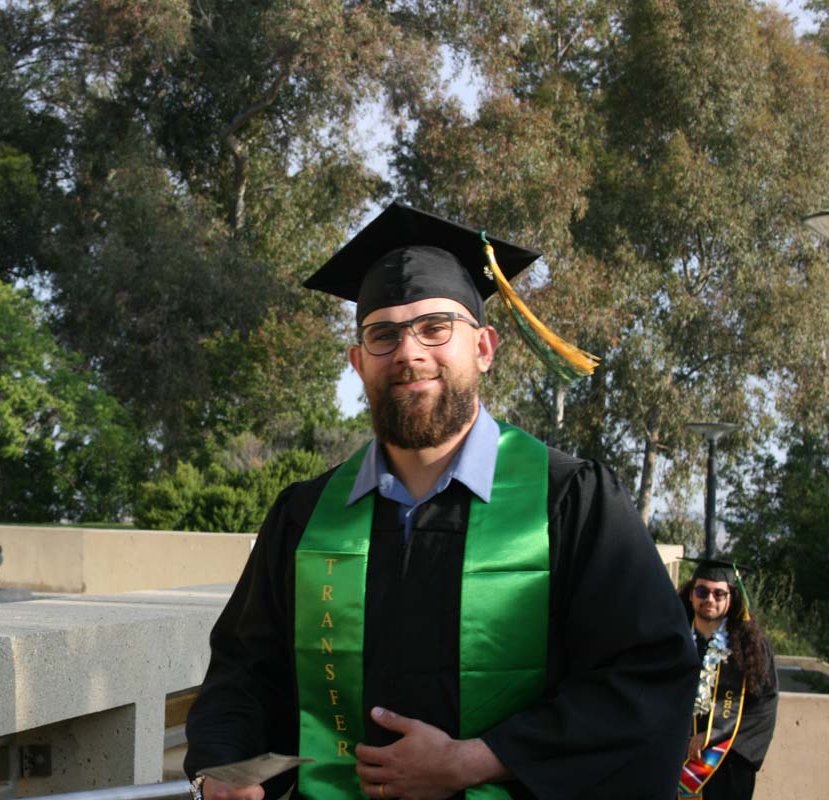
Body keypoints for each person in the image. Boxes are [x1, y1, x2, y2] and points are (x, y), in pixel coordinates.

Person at [183, 202, 700, 800]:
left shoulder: (570, 503)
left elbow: (646, 676)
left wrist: (480, 759)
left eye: (435, 327)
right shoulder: (304, 517)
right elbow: (243, 674)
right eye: (383, 335)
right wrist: (223, 766)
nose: (408, 353)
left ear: (483, 347)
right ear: (358, 363)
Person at [677, 559, 778, 800]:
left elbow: (764, 705)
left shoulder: (750, 648)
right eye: (702, 591)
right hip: (675, 757)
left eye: (718, 593)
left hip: (725, 765)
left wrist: (714, 737)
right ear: (691, 595)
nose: (709, 599)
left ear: (730, 599)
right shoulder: (672, 640)